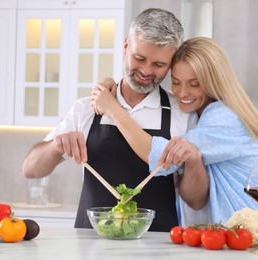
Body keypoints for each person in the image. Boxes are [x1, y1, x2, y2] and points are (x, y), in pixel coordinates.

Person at [22, 8, 208, 232]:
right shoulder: (86, 107)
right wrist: (55, 146)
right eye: (139, 58)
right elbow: (30, 169)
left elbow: (196, 201)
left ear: (171, 62)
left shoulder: (182, 113)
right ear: (126, 46)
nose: (146, 71)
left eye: (158, 65)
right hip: (91, 244)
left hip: (159, 246)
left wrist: (194, 161)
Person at [91, 37, 258, 225]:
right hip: (228, 234)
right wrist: (111, 83)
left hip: (249, 232)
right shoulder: (200, 117)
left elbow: (165, 158)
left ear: (215, 82)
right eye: (176, 82)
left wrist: (113, 109)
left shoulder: (225, 117)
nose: (182, 93)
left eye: (194, 84)